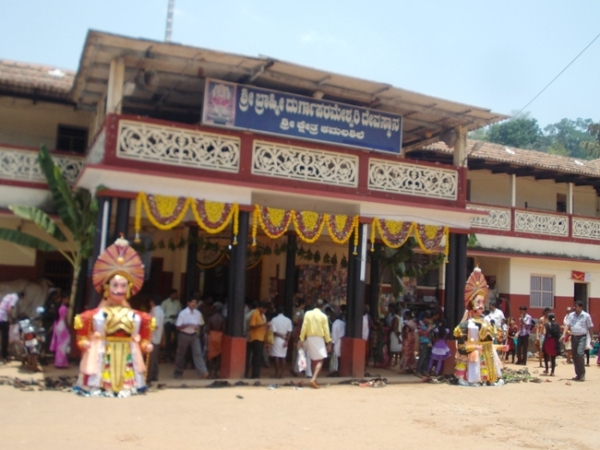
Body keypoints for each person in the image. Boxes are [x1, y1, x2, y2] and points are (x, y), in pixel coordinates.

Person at [73, 237, 154, 396]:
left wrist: (145, 345)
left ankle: (129, 387)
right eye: (115, 285)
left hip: (128, 350)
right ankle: (99, 387)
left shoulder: (138, 316)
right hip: (103, 349)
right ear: (106, 287)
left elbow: (143, 336)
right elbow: (82, 334)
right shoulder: (93, 315)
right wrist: (84, 343)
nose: (119, 289)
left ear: (129, 288)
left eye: (123, 285)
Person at [454, 267, 507, 386]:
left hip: (487, 351)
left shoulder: (487, 322)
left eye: (482, 303)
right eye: (478, 302)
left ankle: (490, 379)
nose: (481, 306)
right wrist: (472, 347)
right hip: (473, 351)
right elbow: (461, 344)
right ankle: (465, 379)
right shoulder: (466, 324)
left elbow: (490, 340)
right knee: (472, 362)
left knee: (488, 364)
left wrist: (498, 346)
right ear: (471, 305)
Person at [298, 299, 332, 389]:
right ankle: (313, 378)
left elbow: (304, 326)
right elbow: (326, 330)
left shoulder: (307, 314)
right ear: (323, 307)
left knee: (313, 359)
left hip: (309, 338)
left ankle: (314, 379)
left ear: (314, 305)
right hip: (319, 338)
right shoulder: (323, 316)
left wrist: (301, 339)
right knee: (321, 359)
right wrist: (328, 342)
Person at [173, 298, 208, 379]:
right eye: (192, 302)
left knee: (198, 353)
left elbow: (201, 324)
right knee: (180, 354)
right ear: (188, 303)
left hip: (194, 335)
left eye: (195, 302)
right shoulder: (183, 313)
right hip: (183, 335)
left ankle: (203, 372)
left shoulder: (198, 313)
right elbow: (178, 326)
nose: (194, 304)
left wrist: (197, 327)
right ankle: (178, 373)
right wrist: (188, 325)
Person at [565, 300, 594, 382]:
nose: (575, 307)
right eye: (575, 306)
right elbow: (567, 325)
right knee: (574, 355)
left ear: (581, 307)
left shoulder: (586, 316)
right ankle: (578, 374)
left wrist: (592, 339)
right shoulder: (571, 315)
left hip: (582, 337)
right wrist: (564, 335)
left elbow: (590, 327)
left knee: (579, 353)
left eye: (576, 306)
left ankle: (582, 373)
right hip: (573, 337)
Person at [269, 305, 292, 379]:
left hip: (277, 339)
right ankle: (282, 374)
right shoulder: (288, 320)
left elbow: (274, 332)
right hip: (285, 339)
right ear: (283, 312)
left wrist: (281, 336)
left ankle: (277, 373)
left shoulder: (274, 319)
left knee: (276, 357)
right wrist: (287, 340)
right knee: (283, 357)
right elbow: (290, 331)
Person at [248, 302, 269, 379]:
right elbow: (251, 326)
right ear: (261, 307)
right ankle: (254, 375)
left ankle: (256, 374)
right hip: (256, 338)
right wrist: (263, 324)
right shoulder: (255, 314)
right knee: (256, 357)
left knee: (258, 358)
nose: (265, 311)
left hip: (260, 337)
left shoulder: (260, 315)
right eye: (265, 310)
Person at [49, 292, 70, 368]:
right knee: (63, 345)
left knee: (59, 345)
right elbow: (65, 319)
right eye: (67, 298)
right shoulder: (64, 308)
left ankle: (59, 362)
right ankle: (61, 363)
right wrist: (68, 327)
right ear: (64, 299)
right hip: (63, 327)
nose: (68, 300)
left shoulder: (60, 307)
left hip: (58, 326)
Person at [207, 301, 225, 379]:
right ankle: (215, 373)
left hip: (212, 335)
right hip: (219, 336)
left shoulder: (210, 318)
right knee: (218, 355)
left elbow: (207, 329)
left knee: (210, 355)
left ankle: (210, 374)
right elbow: (224, 329)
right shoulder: (223, 318)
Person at [161, 289, 181, 362]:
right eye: (175, 294)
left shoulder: (178, 303)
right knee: (168, 339)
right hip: (167, 321)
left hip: (175, 322)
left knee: (177, 338)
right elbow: (161, 313)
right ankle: (167, 356)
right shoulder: (165, 302)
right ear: (171, 294)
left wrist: (176, 316)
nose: (176, 295)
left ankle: (174, 355)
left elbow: (180, 312)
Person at [147, 296, 164, 383]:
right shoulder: (159, 310)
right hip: (156, 338)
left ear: (152, 302)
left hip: (153, 338)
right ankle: (154, 375)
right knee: (154, 358)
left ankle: (148, 377)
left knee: (151, 359)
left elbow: (155, 325)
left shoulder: (156, 311)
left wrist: (146, 327)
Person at [0, 292, 19, 364]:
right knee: (5, 338)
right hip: (3, 319)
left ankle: (3, 356)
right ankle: (4, 356)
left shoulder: (6, 296)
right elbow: (9, 308)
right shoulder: (15, 297)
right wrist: (11, 318)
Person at [416, 311, 433, 376]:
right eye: (427, 318)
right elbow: (422, 332)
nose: (428, 320)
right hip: (423, 341)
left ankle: (424, 370)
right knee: (422, 356)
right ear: (424, 318)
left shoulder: (427, 324)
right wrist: (429, 329)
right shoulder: (420, 324)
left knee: (427, 357)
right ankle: (418, 371)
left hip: (428, 341)